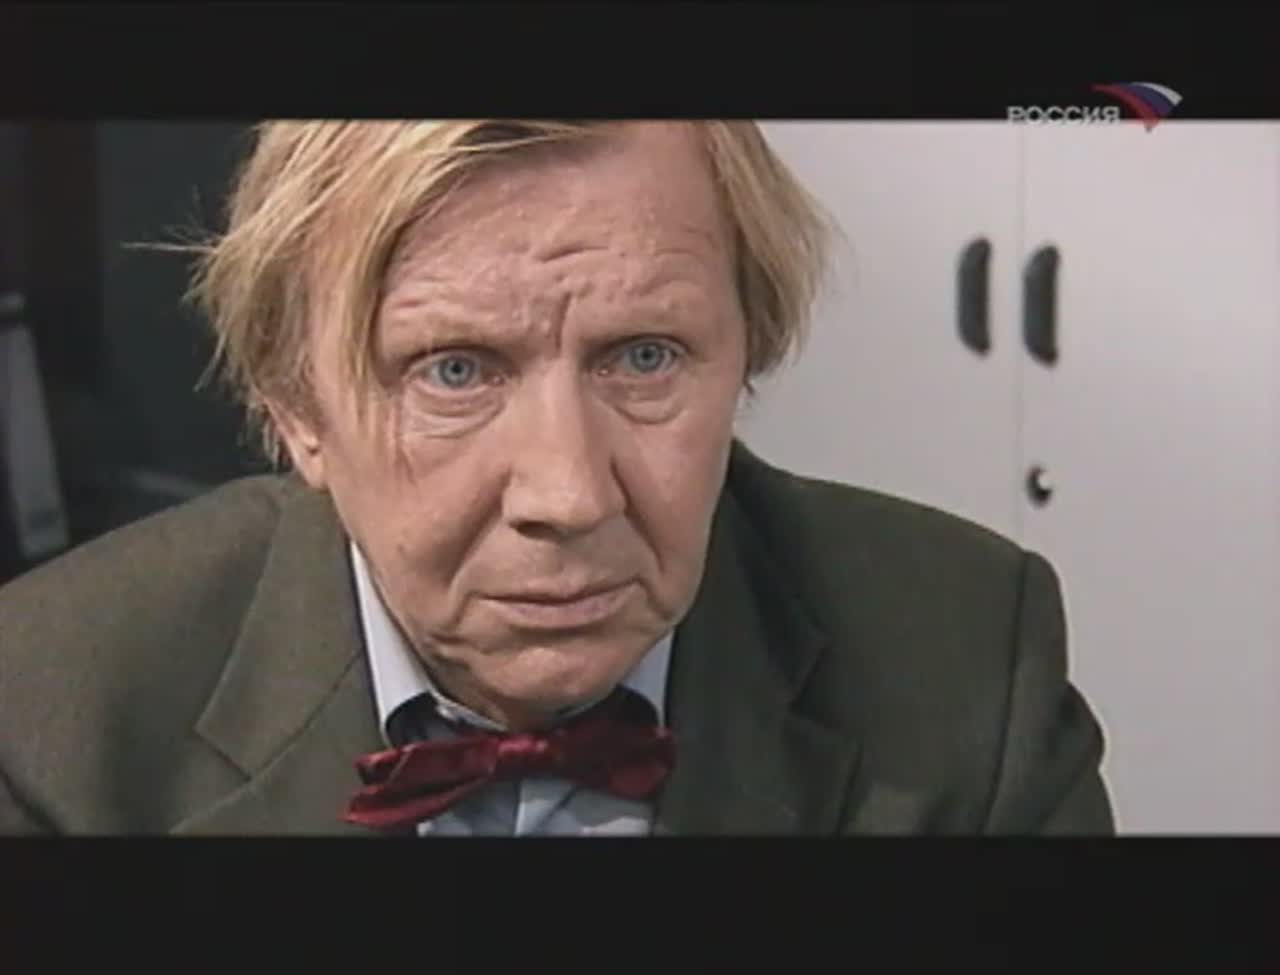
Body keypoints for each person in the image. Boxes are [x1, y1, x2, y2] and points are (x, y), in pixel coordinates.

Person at [0, 120, 1114, 835]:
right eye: (454, 371)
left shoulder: (971, 662)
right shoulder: (51, 716)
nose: (570, 495)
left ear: (747, 351)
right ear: (297, 406)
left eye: (645, 358)